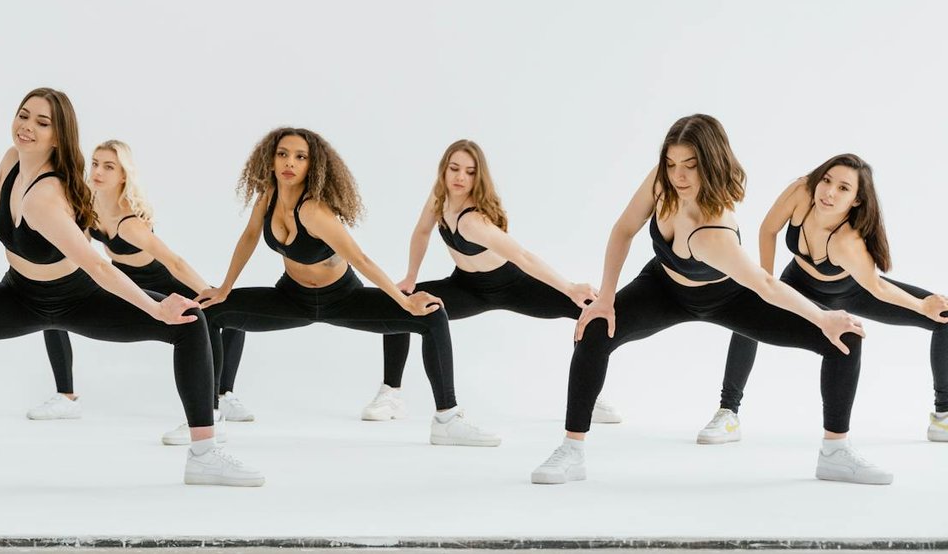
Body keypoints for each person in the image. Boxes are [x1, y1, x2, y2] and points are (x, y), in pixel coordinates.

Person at [0, 88, 263, 487]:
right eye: (23, 116)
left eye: (42, 123)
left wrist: (156, 308)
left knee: (189, 321)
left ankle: (204, 455)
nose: (27, 127)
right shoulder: (11, 162)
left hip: (80, 299)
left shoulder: (45, 196)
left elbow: (96, 265)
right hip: (18, 296)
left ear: (58, 136)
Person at [529, 114, 887, 485]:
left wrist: (824, 318)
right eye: (671, 164)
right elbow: (623, 230)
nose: (678, 176)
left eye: (690, 166)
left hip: (727, 297)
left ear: (711, 163)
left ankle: (835, 452)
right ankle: (572, 450)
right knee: (594, 329)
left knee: (845, 340)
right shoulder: (662, 182)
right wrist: (605, 298)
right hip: (662, 287)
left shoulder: (714, 232)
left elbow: (764, 284)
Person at [198, 127, 499, 446]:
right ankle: (212, 413)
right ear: (270, 160)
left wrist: (403, 300)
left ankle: (447, 418)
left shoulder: (314, 210)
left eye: (301, 157)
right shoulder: (268, 197)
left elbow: (361, 259)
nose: (290, 163)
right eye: (283, 154)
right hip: (291, 297)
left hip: (342, 298)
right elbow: (248, 238)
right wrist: (225, 288)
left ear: (312, 166)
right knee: (215, 311)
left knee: (432, 314)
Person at [360, 139, 621, 425]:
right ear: (444, 170)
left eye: (470, 172)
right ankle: (391, 394)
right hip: (466, 287)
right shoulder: (439, 198)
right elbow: (421, 232)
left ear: (478, 176)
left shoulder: (474, 221)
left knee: (589, 310)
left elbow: (522, 256)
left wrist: (570, 288)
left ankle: (590, 398)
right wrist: (410, 278)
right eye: (454, 168)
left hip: (513, 286)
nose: (460, 177)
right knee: (404, 304)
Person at [697, 153, 948, 445]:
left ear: (856, 200)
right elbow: (769, 229)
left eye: (843, 188)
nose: (829, 192)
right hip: (797, 283)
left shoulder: (848, 242)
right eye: (827, 180)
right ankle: (728, 412)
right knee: (750, 313)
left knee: (943, 316)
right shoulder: (802, 193)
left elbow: (877, 288)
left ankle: (942, 418)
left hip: (853, 291)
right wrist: (765, 283)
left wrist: (922, 306)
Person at [21, 139, 249, 444]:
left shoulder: (130, 223)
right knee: (54, 311)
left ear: (123, 175)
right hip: (125, 279)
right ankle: (66, 396)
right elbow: (81, 249)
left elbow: (174, 262)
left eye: (109, 166)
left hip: (163, 281)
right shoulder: (89, 206)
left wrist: (211, 292)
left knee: (220, 316)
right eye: (96, 163)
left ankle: (217, 405)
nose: (98, 171)